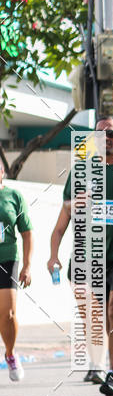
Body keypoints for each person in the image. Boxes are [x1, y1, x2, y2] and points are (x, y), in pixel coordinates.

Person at [48, 117, 113, 396]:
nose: (107, 139)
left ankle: (112, 374)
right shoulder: (81, 170)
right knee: (95, 315)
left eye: (112, 134)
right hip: (89, 253)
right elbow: (65, 211)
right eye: (101, 135)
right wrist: (53, 254)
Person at [0, 161, 32, 381]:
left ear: (2, 171)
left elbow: (27, 232)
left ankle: (10, 354)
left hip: (7, 257)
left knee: (8, 314)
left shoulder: (13, 195)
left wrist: (28, 265)